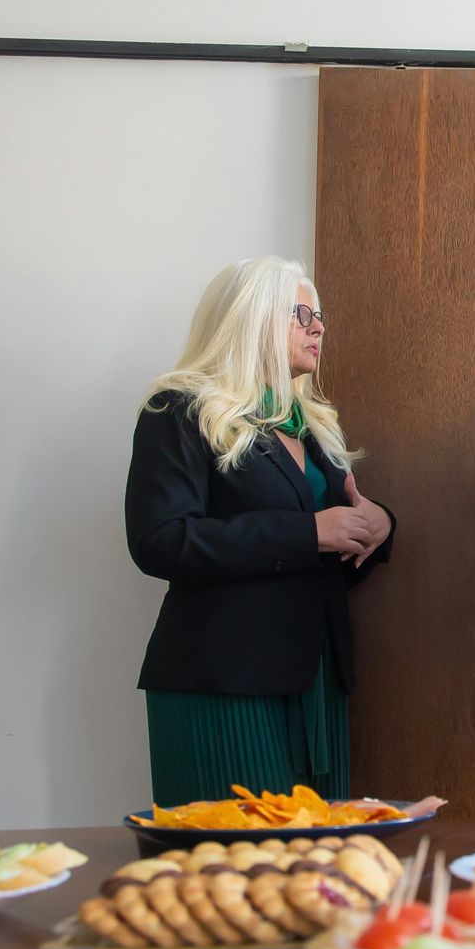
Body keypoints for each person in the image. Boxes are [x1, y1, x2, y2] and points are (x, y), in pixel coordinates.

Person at [125, 256, 394, 805]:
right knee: (232, 873)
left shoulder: (312, 425)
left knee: (315, 875)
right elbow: (159, 540)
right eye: (301, 314)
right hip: (223, 681)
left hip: (316, 681)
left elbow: (331, 524)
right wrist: (307, 534)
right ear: (252, 318)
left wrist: (381, 524)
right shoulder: (178, 410)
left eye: (319, 316)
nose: (318, 327)